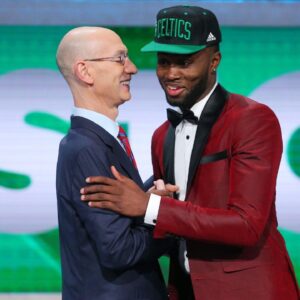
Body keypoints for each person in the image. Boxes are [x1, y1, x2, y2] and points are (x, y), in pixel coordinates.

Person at [80, 6, 300, 300]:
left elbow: (247, 226)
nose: (171, 74)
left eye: (185, 62)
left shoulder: (252, 119)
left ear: (214, 61)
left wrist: (149, 207)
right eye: (164, 61)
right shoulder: (161, 136)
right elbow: (173, 227)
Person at [55, 26, 173, 300]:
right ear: (85, 72)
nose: (131, 68)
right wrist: (165, 214)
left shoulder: (98, 141)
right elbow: (120, 249)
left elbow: (120, 221)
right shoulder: (85, 148)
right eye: (120, 58)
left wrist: (148, 196)